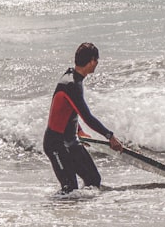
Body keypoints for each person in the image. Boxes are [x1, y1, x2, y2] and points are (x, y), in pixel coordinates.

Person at [43, 43, 123, 194]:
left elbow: (68, 111)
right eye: (97, 60)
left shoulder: (72, 78)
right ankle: (56, 213)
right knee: (70, 189)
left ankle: (84, 213)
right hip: (56, 144)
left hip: (71, 140)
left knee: (93, 180)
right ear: (92, 60)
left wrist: (78, 130)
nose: (97, 64)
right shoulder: (71, 84)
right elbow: (87, 117)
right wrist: (110, 136)